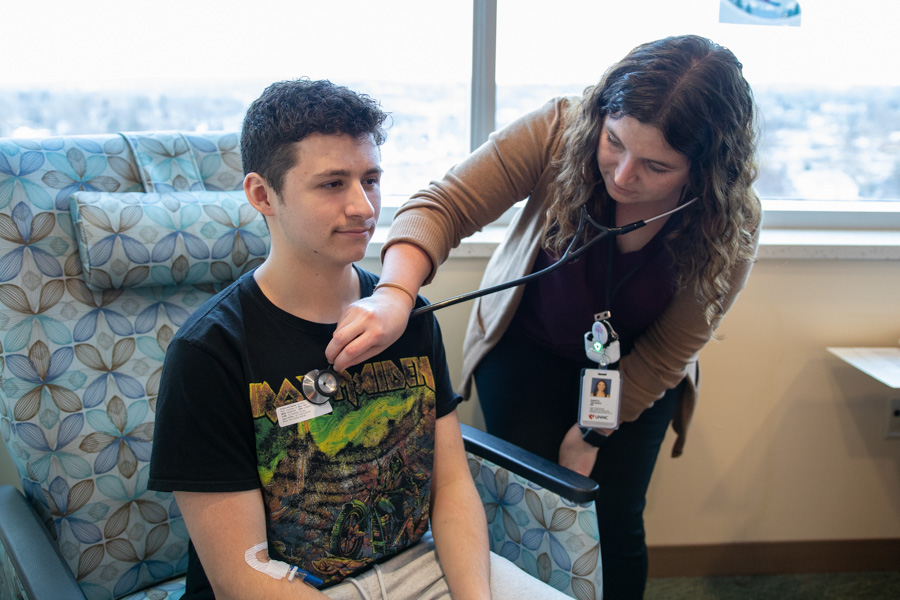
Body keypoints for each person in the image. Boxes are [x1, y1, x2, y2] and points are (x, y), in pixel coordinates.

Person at [326, 35, 762, 599]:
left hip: (635, 372)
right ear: (600, 117)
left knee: (612, 517)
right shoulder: (561, 128)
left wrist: (589, 435)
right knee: (522, 508)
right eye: (614, 143)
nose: (625, 176)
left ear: (704, 173)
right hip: (526, 348)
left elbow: (668, 352)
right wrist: (393, 295)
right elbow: (443, 205)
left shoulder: (728, 226)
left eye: (656, 165)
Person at [148, 79, 569, 600]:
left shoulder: (406, 313)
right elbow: (242, 576)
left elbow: (453, 486)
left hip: (417, 564)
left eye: (370, 180)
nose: (365, 208)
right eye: (332, 184)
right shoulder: (210, 352)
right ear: (262, 195)